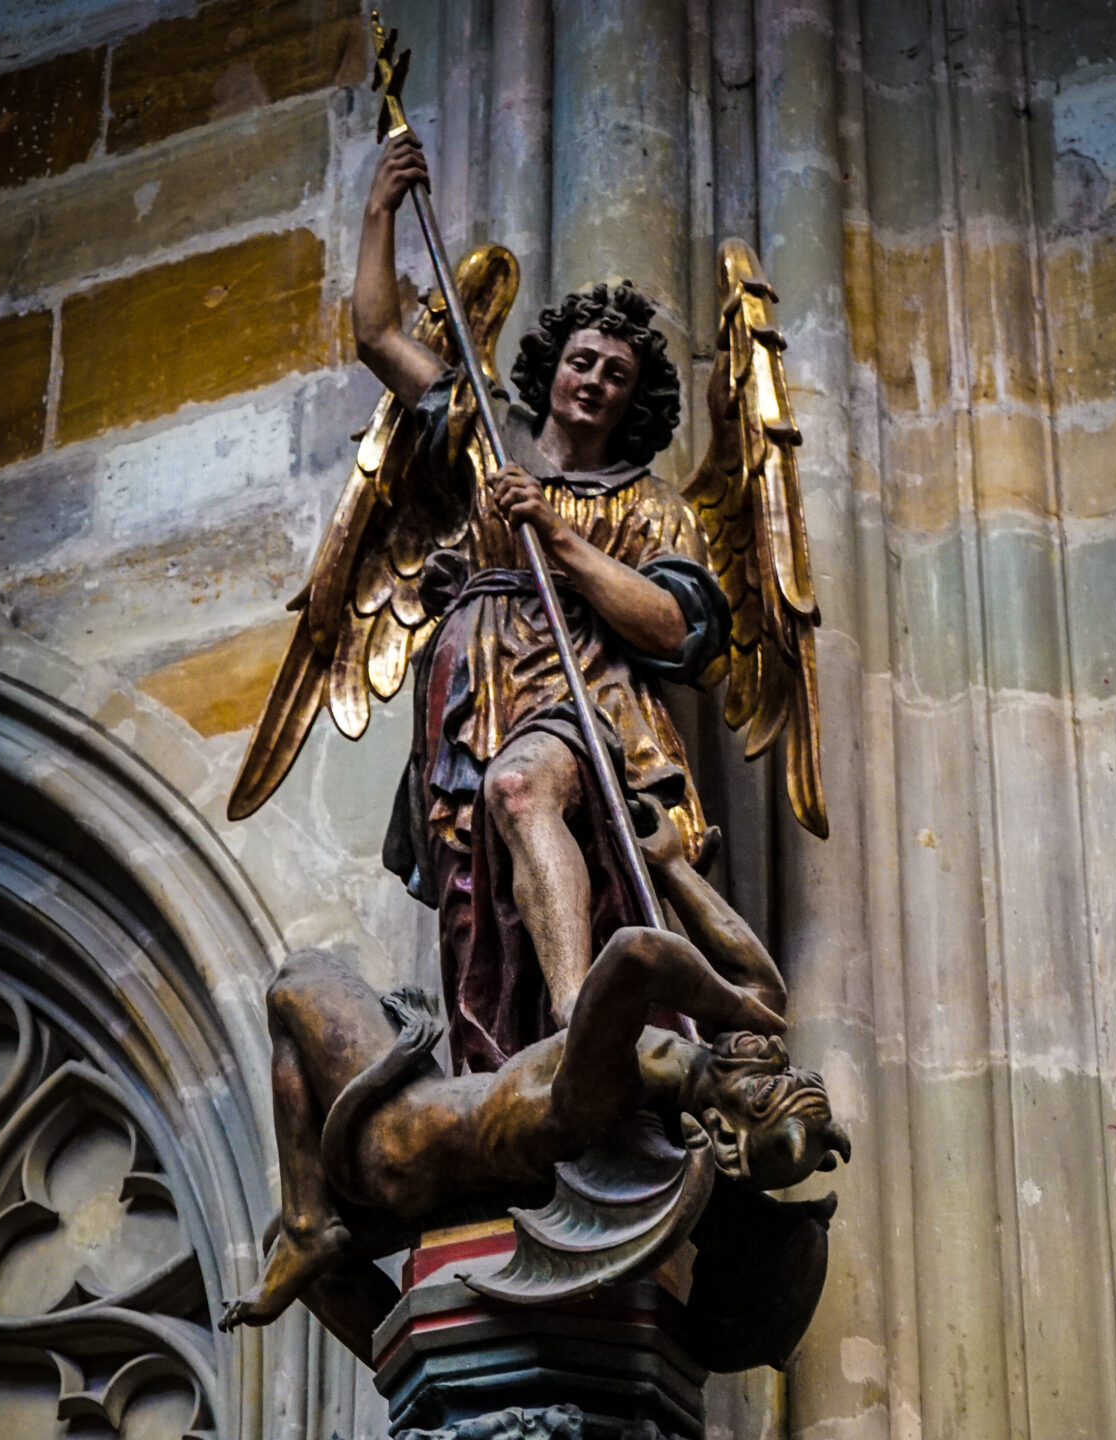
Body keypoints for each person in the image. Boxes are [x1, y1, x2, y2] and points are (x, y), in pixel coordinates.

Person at [354, 131, 738, 1070]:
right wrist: (379, 210)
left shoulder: (649, 504)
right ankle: (507, 1069)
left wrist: (560, 540)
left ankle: (581, 1021)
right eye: (583, 360)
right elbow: (375, 337)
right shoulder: (490, 432)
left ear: (633, 401)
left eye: (618, 373)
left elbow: (677, 628)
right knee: (476, 903)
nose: (596, 379)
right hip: (469, 691)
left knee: (522, 790)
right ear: (553, 366)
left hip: (587, 695)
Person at [217, 804, 848, 1358]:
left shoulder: (606, 1093)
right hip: (428, 1153)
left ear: (727, 1135)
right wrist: (674, 866)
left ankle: (310, 1229)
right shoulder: (665, 1084)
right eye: (786, 1069)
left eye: (766, 1088)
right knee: (310, 1258)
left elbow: (636, 954)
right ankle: (371, 1321)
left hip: (395, 1140)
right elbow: (758, 982)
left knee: (298, 979)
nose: (769, 1055)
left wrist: (740, 1011)